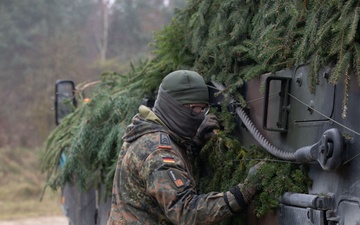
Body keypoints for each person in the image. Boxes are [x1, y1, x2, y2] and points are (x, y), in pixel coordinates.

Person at [107, 70, 260, 225]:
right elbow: (185, 212)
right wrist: (242, 193)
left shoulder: (148, 129)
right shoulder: (158, 152)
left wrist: (193, 145)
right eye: (195, 108)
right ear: (174, 106)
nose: (201, 115)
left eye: (204, 109)